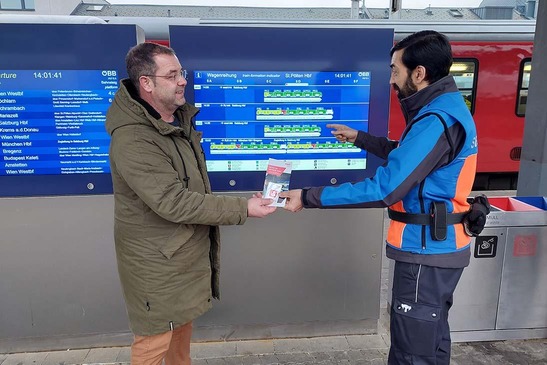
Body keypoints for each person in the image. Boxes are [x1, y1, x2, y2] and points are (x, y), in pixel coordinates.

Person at [281, 30, 477, 365]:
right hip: (440, 247)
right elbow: (410, 158)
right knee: (432, 339)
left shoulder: (435, 119)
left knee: (411, 352)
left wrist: (308, 196)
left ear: (419, 73)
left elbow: (385, 189)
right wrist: (362, 139)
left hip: (424, 251)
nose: (391, 79)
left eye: (395, 71)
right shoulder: (445, 107)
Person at [105, 42, 276, 365]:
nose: (183, 80)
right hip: (157, 265)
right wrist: (243, 208)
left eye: (180, 72)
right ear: (147, 83)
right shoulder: (134, 138)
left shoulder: (174, 122)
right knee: (153, 343)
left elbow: (190, 189)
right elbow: (173, 202)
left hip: (179, 258)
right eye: (172, 75)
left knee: (178, 335)